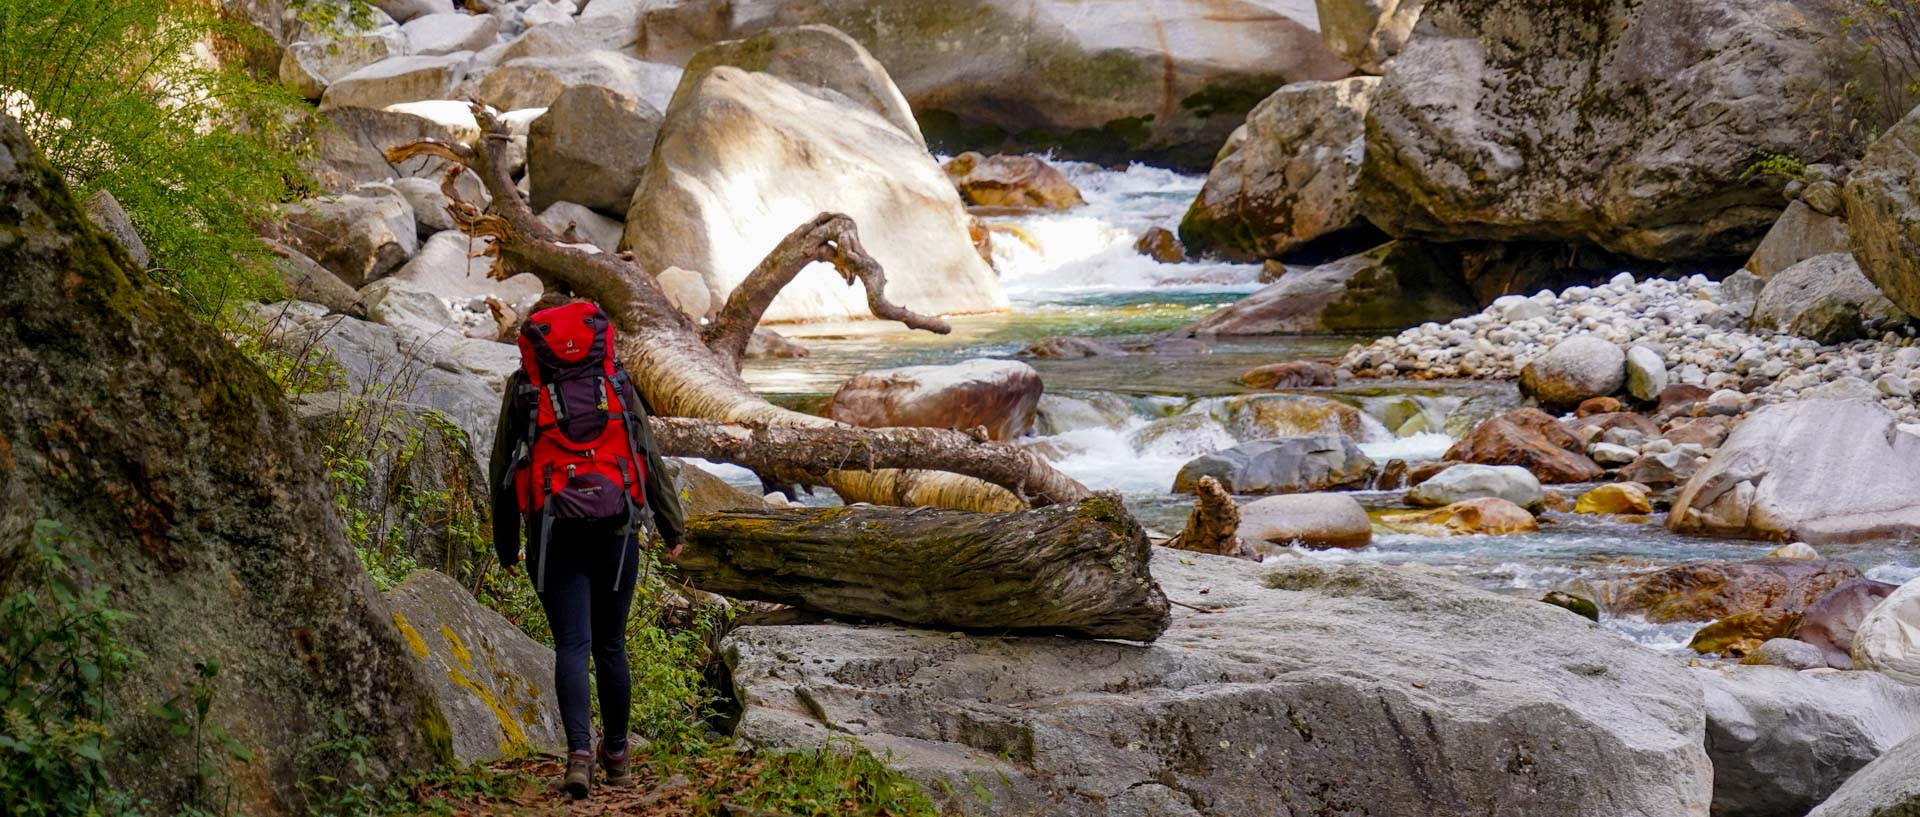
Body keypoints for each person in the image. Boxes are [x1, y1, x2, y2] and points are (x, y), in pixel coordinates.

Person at [487, 297, 686, 800]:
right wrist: (671, 527)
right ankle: (616, 755)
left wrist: (506, 543)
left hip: (554, 533)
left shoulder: (526, 387)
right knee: (611, 645)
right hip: (618, 530)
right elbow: (647, 454)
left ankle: (579, 756)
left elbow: (502, 471)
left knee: (573, 646)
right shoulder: (615, 380)